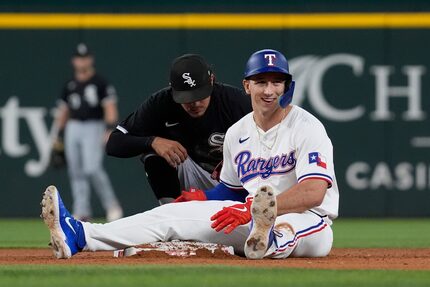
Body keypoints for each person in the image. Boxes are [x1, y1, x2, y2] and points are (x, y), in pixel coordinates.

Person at [41, 48, 339, 260]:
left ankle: (269, 239)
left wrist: (254, 211)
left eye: (277, 82)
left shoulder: (306, 126)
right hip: (247, 219)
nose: (269, 90)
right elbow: (232, 191)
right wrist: (203, 199)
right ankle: (80, 234)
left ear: (288, 86)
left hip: (307, 221)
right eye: (261, 82)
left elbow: (313, 192)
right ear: (248, 86)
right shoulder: (238, 132)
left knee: (287, 229)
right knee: (171, 215)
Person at [106, 53, 252, 204]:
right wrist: (152, 141)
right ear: (173, 89)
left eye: (199, 95)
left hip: (234, 184)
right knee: (153, 153)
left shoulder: (234, 102)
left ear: (212, 80)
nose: (194, 104)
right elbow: (114, 143)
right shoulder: (161, 103)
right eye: (187, 98)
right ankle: (171, 212)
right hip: (193, 176)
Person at [52, 43, 123, 222]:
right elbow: (64, 112)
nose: (82, 61)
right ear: (73, 61)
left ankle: (112, 205)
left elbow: (110, 108)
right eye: (78, 58)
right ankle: (82, 210)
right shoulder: (70, 85)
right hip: (73, 127)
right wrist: (58, 135)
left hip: (94, 125)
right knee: (76, 171)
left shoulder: (100, 83)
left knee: (92, 168)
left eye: (84, 57)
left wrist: (109, 129)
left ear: (90, 59)